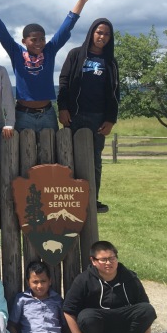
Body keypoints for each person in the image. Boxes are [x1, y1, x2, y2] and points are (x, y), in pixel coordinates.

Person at [0, 0, 93, 132]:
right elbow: (0, 29)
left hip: (47, 114)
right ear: (24, 41)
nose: (39, 43)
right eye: (34, 40)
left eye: (42, 39)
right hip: (23, 115)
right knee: (22, 154)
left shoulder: (49, 51)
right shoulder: (17, 53)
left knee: (50, 154)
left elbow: (67, 25)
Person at [58, 18, 120, 213]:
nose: (102, 36)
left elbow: (115, 92)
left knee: (94, 161)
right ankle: (70, 199)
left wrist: (111, 119)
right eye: (99, 32)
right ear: (92, 32)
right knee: (69, 158)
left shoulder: (110, 62)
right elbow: (64, 82)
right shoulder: (76, 55)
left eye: (106, 34)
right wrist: (63, 108)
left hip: (98, 119)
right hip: (74, 116)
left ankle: (92, 199)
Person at [63, 241, 157, 333]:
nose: (109, 263)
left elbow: (144, 310)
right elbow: (68, 311)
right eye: (103, 260)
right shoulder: (83, 280)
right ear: (93, 261)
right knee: (86, 316)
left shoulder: (130, 278)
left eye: (112, 258)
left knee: (147, 309)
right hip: (97, 326)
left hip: (122, 324)